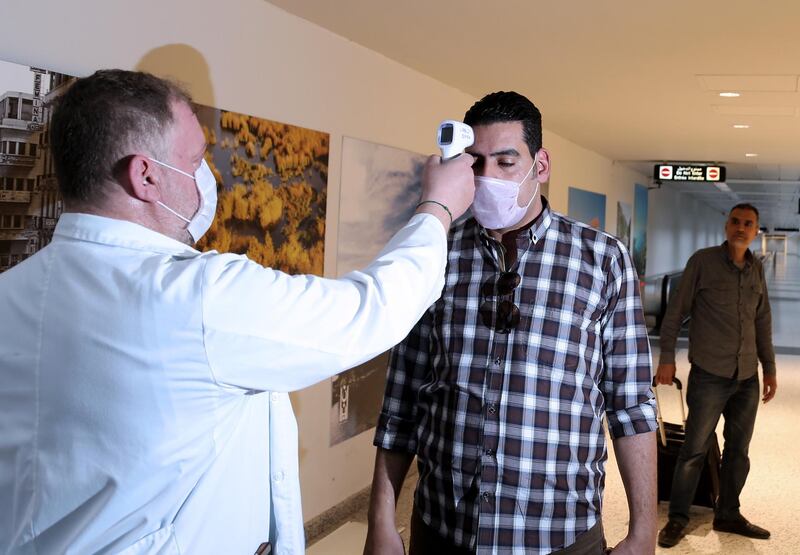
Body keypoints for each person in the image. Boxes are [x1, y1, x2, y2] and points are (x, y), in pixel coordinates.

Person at [0, 69, 476, 555]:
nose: (209, 176)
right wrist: (438, 205)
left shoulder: (10, 294)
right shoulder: (195, 295)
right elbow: (372, 310)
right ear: (146, 176)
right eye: (195, 159)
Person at [364, 91, 658, 555]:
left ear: (540, 166)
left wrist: (644, 530)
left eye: (505, 162)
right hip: (444, 528)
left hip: (560, 534)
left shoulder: (602, 260)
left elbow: (632, 404)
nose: (488, 178)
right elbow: (402, 398)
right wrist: (380, 518)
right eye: (476, 164)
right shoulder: (433, 252)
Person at [655, 203, 776, 548]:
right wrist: (667, 358)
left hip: (746, 377)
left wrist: (768, 368)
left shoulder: (756, 270)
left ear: (756, 230)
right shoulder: (703, 262)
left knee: (739, 451)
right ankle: (678, 518)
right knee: (694, 449)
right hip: (710, 374)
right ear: (727, 225)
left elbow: (762, 321)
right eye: (736, 221)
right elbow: (675, 312)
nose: (741, 228)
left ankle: (729, 513)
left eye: (748, 224)